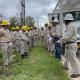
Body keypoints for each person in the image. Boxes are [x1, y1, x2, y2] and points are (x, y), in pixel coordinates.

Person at [61, 14, 80, 78]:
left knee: (73, 59)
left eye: (65, 20)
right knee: (67, 56)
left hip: (71, 44)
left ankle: (76, 72)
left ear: (67, 20)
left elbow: (67, 36)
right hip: (69, 44)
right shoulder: (69, 26)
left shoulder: (71, 26)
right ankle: (66, 66)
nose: (64, 22)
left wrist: (60, 40)